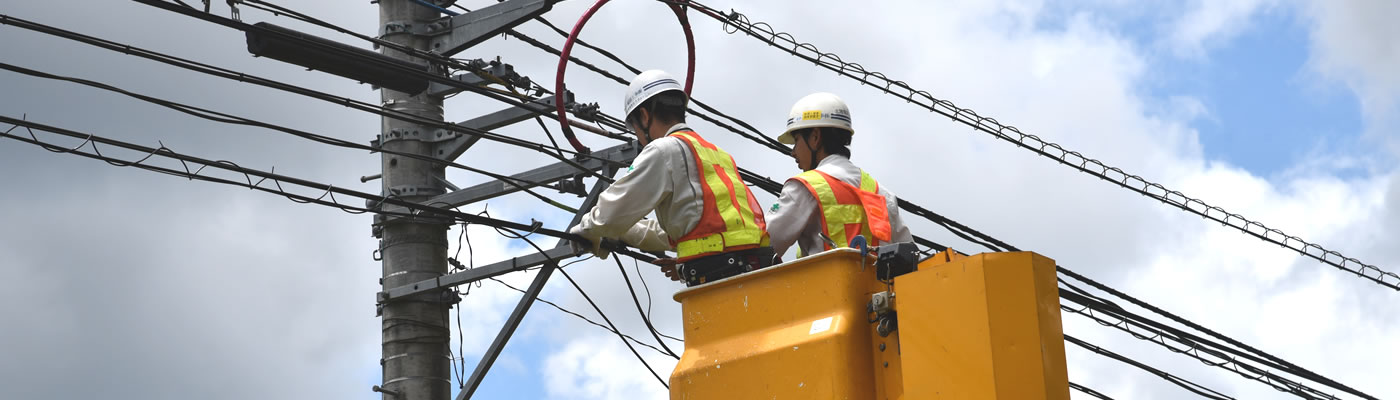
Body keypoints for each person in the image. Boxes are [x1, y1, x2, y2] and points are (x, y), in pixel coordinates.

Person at [569, 70, 773, 286]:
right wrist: (622, 233)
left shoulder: (663, 150)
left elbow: (610, 214)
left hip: (720, 283)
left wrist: (585, 229)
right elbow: (682, 229)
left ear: (645, 116)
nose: (638, 136)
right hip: (759, 274)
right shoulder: (717, 154)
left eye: (634, 128)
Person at [766, 92, 913, 259]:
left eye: (797, 140)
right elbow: (910, 258)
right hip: (880, 286)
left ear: (815, 137)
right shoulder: (882, 194)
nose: (793, 152)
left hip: (824, 285)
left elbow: (765, 245)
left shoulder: (805, 187)